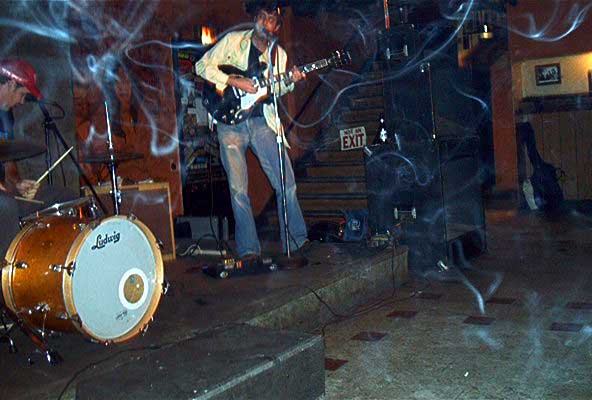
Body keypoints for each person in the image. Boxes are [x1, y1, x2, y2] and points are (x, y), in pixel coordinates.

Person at [195, 1, 310, 266]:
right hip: (229, 122)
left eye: (271, 20)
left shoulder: (278, 55)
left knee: (286, 181)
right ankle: (248, 250)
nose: (265, 23)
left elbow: (274, 90)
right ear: (255, 19)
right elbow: (201, 66)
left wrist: (290, 82)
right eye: (262, 17)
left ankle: (296, 241)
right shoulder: (234, 41)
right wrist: (232, 80)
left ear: (276, 27)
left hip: (262, 122)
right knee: (238, 190)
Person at [0, 58, 75, 255]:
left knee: (65, 197)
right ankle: (9, 269)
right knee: (6, 207)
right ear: (11, 84)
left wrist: (17, 183)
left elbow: (8, 161)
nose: (22, 101)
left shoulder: (6, 116)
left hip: (6, 192)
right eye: (22, 94)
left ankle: (58, 262)